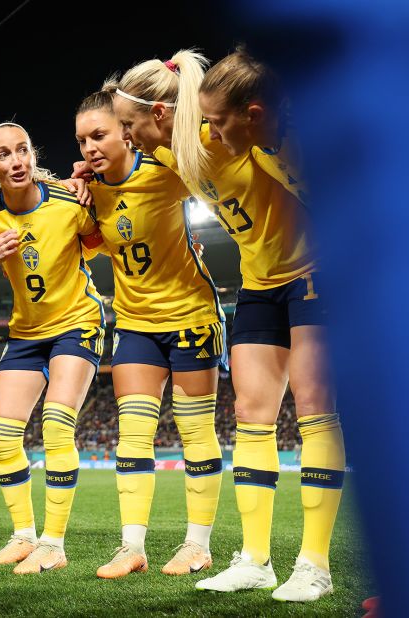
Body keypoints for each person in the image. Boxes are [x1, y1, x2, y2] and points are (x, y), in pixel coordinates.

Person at [108, 48, 345, 602]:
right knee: (250, 416)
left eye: (128, 125)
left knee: (314, 409)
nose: (125, 137)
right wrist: (79, 180)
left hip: (313, 276)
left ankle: (314, 564)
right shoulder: (173, 155)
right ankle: (256, 560)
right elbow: (121, 176)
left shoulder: (251, 143)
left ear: (161, 116)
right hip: (258, 285)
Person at [74, 88, 226, 579]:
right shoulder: (89, 191)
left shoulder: (165, 173)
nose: (90, 148)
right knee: (132, 436)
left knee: (195, 432)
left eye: (99, 134)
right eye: (81, 141)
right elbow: (89, 239)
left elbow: (213, 166)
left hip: (191, 318)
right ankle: (131, 547)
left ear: (126, 131)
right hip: (136, 323)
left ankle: (197, 545)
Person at [0, 122, 104, 575]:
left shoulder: (68, 201)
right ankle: (23, 536)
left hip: (77, 322)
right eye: (3, 154)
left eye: (22, 150)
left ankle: (53, 544)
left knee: (57, 425)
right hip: (26, 332)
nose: (16, 161)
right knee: (2, 432)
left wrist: (93, 189)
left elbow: (107, 241)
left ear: (33, 155)